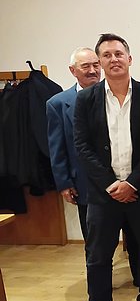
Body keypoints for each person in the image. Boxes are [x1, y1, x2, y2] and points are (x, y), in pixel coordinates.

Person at [73, 33, 140, 301]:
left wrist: (133, 183)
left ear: (129, 58)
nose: (113, 59)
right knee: (98, 254)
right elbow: (82, 146)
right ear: (99, 62)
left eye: (118, 53)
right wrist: (112, 184)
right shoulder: (86, 99)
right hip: (104, 195)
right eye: (107, 55)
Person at [47, 47, 101, 241]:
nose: (93, 70)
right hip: (84, 183)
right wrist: (64, 183)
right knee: (93, 242)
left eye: (96, 65)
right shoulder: (58, 104)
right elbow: (57, 148)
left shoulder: (114, 96)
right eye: (86, 66)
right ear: (73, 70)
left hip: (120, 181)